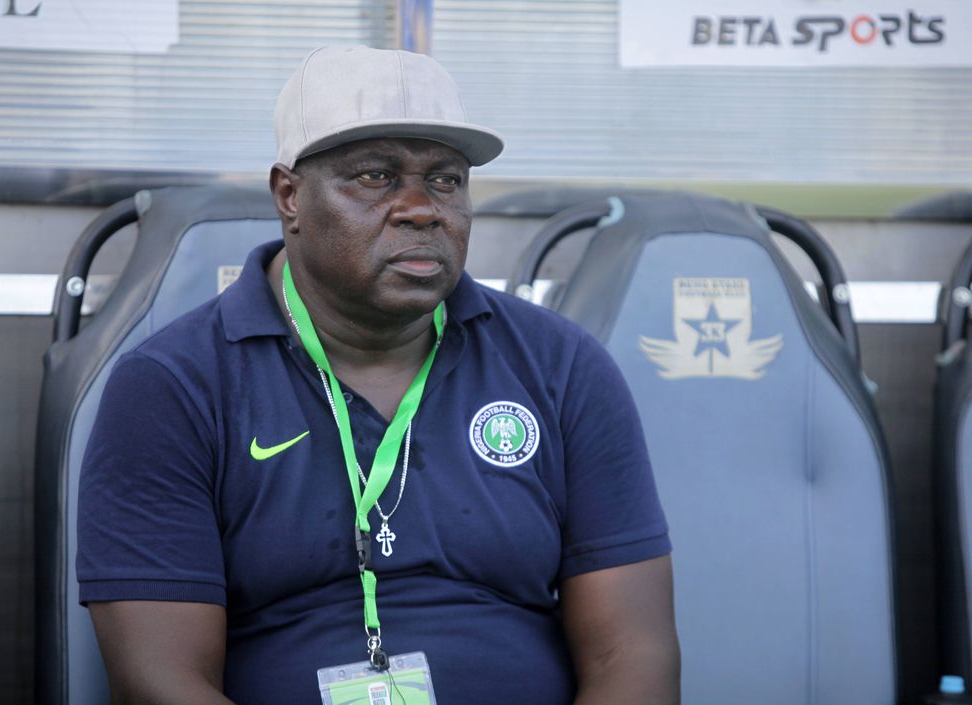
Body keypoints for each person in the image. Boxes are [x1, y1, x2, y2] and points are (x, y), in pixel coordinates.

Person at [77, 45, 679, 705]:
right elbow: (159, 682)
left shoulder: (561, 365)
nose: (422, 208)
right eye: (375, 176)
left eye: (446, 179)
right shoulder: (173, 387)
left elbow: (634, 654)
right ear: (290, 197)